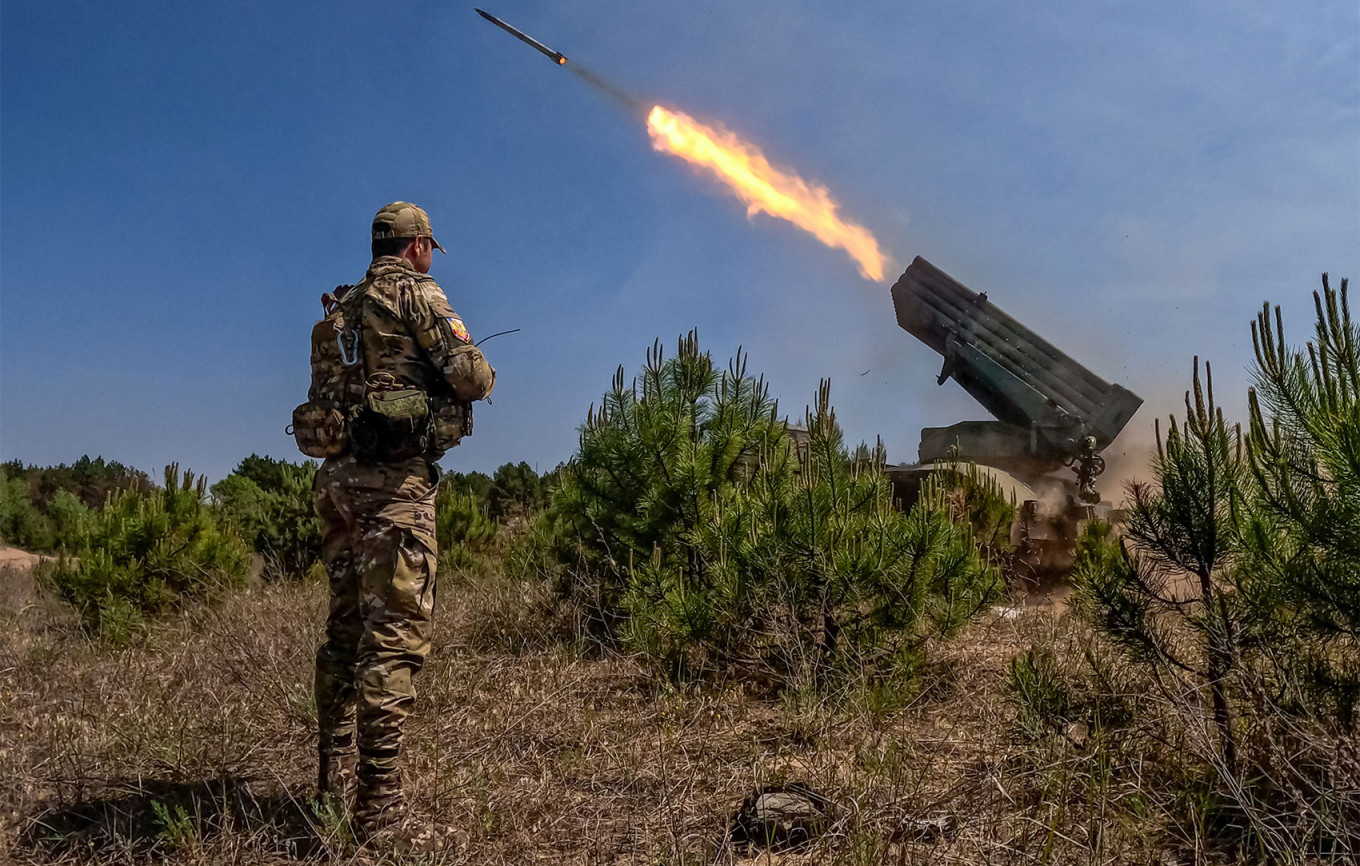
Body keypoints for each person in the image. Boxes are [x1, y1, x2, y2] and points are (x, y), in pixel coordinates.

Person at [307, 202, 495, 852]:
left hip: (336, 486)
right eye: (428, 249)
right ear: (417, 247)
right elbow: (471, 376)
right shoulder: (417, 293)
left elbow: (330, 391)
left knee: (344, 631)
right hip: (394, 489)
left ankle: (328, 784)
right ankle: (377, 815)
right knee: (393, 642)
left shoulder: (338, 312)